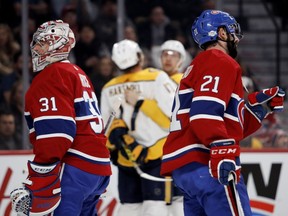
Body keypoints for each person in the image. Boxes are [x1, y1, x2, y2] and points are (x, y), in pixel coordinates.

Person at [160, 10, 285, 216]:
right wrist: (221, 148)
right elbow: (204, 114)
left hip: (187, 168)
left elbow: (222, 122)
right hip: (207, 162)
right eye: (232, 32)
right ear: (222, 33)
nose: (236, 38)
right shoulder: (219, 60)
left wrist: (259, 108)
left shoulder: (200, 65)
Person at [10, 20, 111, 216]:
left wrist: (41, 171)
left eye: (42, 43)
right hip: (98, 169)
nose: (36, 48)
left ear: (56, 44)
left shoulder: (52, 74)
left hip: (73, 168)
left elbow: (57, 133)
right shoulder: (77, 72)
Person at [101, 39, 176, 216]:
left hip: (126, 156)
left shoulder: (108, 88)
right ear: (140, 57)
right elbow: (176, 114)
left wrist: (116, 142)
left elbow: (103, 131)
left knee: (129, 207)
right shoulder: (156, 77)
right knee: (156, 207)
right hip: (158, 153)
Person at [160, 39, 186, 215]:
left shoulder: (183, 81)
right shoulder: (156, 79)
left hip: (176, 146)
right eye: (165, 54)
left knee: (177, 201)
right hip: (159, 148)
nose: (168, 59)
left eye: (173, 55)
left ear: (181, 59)